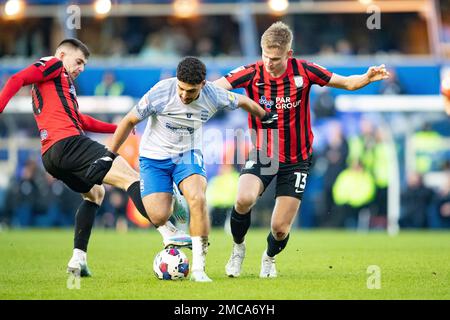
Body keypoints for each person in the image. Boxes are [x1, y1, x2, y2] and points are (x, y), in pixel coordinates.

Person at [213, 21, 389, 278]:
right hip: (264, 153)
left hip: (297, 160)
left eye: (275, 58)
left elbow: (347, 83)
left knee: (280, 228)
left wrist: (366, 77)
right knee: (243, 199)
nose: (269, 63)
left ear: (289, 54)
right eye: (265, 57)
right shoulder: (251, 72)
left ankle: (269, 258)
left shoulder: (305, 71)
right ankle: (238, 248)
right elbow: (215, 88)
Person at [0, 38, 189, 277]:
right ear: (61, 54)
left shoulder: (60, 85)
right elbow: (17, 79)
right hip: (68, 144)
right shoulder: (53, 65)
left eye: (84, 65)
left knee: (95, 194)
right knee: (128, 176)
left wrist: (117, 128)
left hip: (51, 157)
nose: (80, 68)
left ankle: (78, 260)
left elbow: (81, 121)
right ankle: (167, 231)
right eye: (78, 61)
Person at [86, 57, 278, 282]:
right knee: (158, 215)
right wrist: (109, 156)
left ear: (203, 84)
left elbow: (243, 101)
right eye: (182, 88)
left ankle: (198, 268)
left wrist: (264, 116)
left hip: (187, 154)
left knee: (197, 198)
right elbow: (129, 120)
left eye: (191, 91)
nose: (185, 95)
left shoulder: (213, 94)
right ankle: (176, 197)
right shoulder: (161, 92)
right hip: (153, 157)